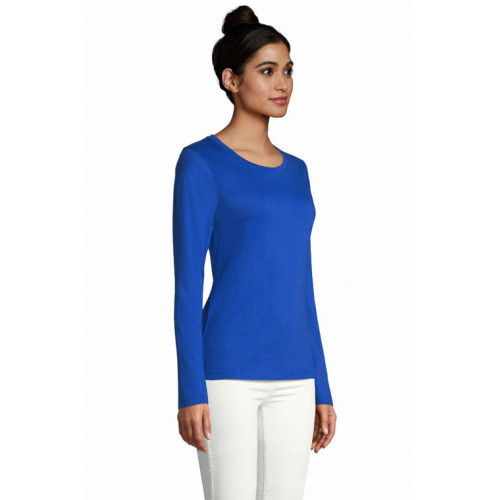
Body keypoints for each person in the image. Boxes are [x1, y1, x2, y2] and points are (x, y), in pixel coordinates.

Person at [172, 5, 337, 499]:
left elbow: (301, 286)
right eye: (267, 71)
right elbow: (186, 288)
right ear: (231, 80)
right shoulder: (200, 163)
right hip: (226, 375)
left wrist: (322, 386)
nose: (282, 83)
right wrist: (190, 390)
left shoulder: (297, 172)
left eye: (288, 70)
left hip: (296, 375)